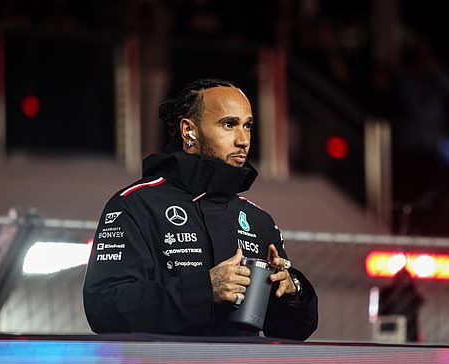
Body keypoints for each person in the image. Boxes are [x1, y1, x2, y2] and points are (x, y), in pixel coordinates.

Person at [83, 79, 318, 340]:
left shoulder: (259, 220)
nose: (243, 140)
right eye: (229, 125)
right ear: (189, 131)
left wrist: (292, 292)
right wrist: (205, 290)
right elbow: (104, 308)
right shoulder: (134, 205)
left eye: (248, 126)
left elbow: (289, 332)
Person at [378, 268, 424, 342]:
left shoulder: (411, 294)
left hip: (408, 330)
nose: (403, 280)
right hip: (391, 329)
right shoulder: (388, 293)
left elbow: (419, 303)